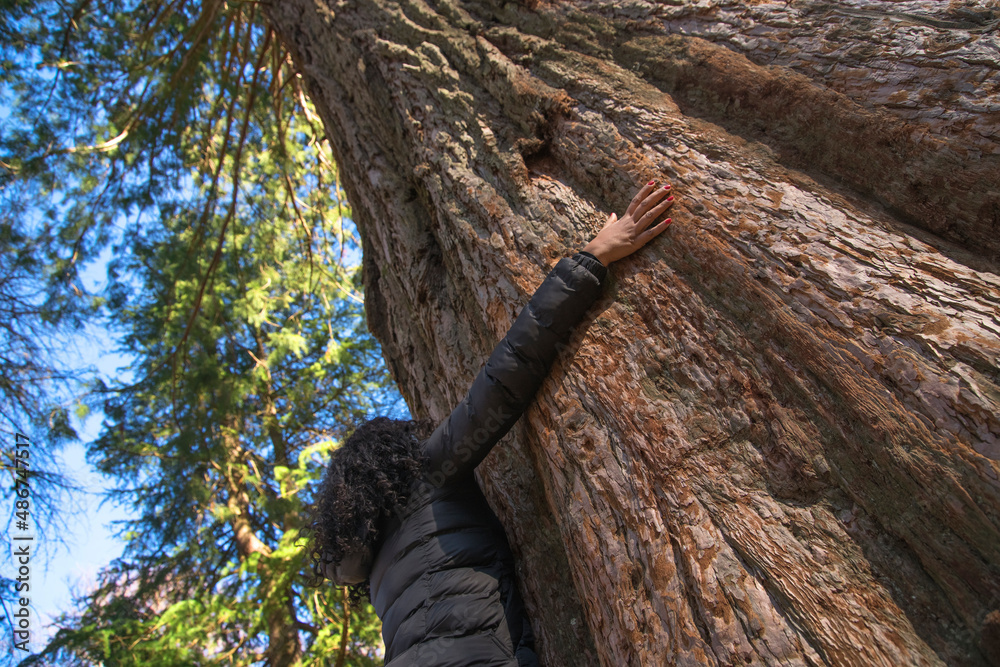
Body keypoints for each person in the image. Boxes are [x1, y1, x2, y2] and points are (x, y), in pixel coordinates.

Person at [307, 180, 677, 666]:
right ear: (386, 460)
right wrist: (591, 258)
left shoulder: (373, 575)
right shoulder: (427, 476)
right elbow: (503, 380)